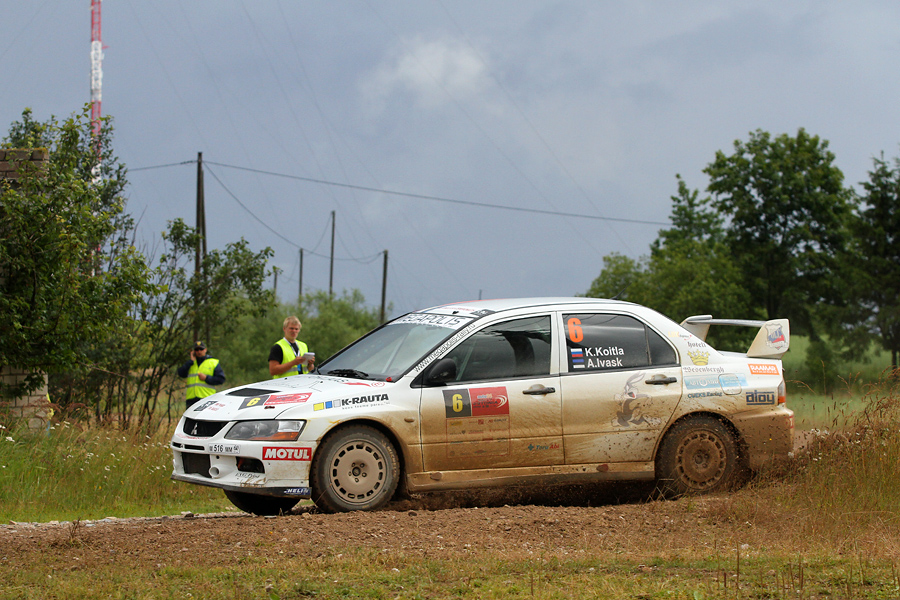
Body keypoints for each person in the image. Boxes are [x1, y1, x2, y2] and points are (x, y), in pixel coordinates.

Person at [177, 341, 226, 409]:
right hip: (191, 400)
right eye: (197, 350)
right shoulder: (191, 363)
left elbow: (221, 379)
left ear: (205, 350)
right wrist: (191, 361)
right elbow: (181, 373)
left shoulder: (213, 362)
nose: (199, 351)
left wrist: (206, 378)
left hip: (207, 399)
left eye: (201, 349)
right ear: (194, 351)